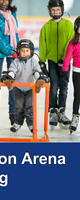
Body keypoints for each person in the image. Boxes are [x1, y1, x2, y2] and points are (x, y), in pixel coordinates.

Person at [1, 39, 49, 135]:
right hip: (18, 89)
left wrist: (39, 79)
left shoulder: (34, 61)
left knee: (29, 107)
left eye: (27, 51)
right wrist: (9, 77)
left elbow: (36, 72)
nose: (25, 53)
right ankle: (17, 123)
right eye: (22, 51)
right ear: (18, 51)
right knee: (18, 107)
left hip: (30, 89)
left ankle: (31, 124)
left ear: (31, 51)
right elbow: (12, 71)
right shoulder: (16, 62)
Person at [39, 0, 74, 130]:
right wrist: (42, 61)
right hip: (52, 61)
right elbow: (43, 45)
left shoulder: (68, 25)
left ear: (62, 10)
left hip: (65, 62)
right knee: (53, 86)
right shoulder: (46, 27)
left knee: (64, 87)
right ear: (50, 11)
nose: (56, 12)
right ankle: (53, 111)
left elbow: (71, 44)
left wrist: (66, 59)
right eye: (53, 10)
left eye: (58, 9)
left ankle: (61, 111)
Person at [0, 0, 19, 128]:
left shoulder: (13, 14)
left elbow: (15, 34)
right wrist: (10, 50)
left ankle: (13, 112)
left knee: (11, 81)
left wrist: (17, 49)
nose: (4, 1)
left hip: (13, 51)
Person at [61, 16, 80, 134]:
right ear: (77, 28)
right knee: (78, 95)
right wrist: (64, 72)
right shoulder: (73, 42)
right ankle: (75, 117)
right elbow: (68, 58)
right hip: (77, 71)